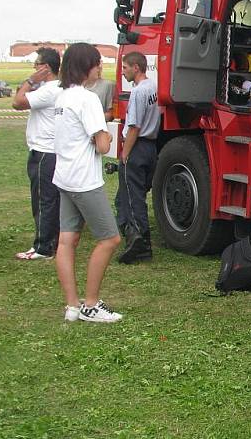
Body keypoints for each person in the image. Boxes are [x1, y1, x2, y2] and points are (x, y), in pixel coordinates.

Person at [53, 43, 122, 323]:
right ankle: (91, 304)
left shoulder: (62, 97)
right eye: (97, 64)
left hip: (64, 176)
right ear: (86, 67)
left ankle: (72, 305)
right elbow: (103, 145)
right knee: (110, 238)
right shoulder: (87, 99)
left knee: (67, 241)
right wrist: (110, 137)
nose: (100, 68)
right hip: (84, 179)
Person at [12, 47, 63, 260]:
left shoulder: (49, 89)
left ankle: (43, 247)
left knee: (43, 200)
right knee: (51, 200)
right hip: (49, 151)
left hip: (44, 152)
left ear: (45, 68)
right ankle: (53, 242)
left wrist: (30, 80)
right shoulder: (56, 88)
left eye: (36, 65)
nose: (34, 69)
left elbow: (17, 102)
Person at [115, 51, 160, 264]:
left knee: (133, 198)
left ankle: (139, 242)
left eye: (124, 68)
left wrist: (125, 154)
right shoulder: (153, 87)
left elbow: (133, 127)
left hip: (138, 146)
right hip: (151, 146)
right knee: (134, 194)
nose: (122, 72)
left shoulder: (138, 92)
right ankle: (137, 240)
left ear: (136, 68)